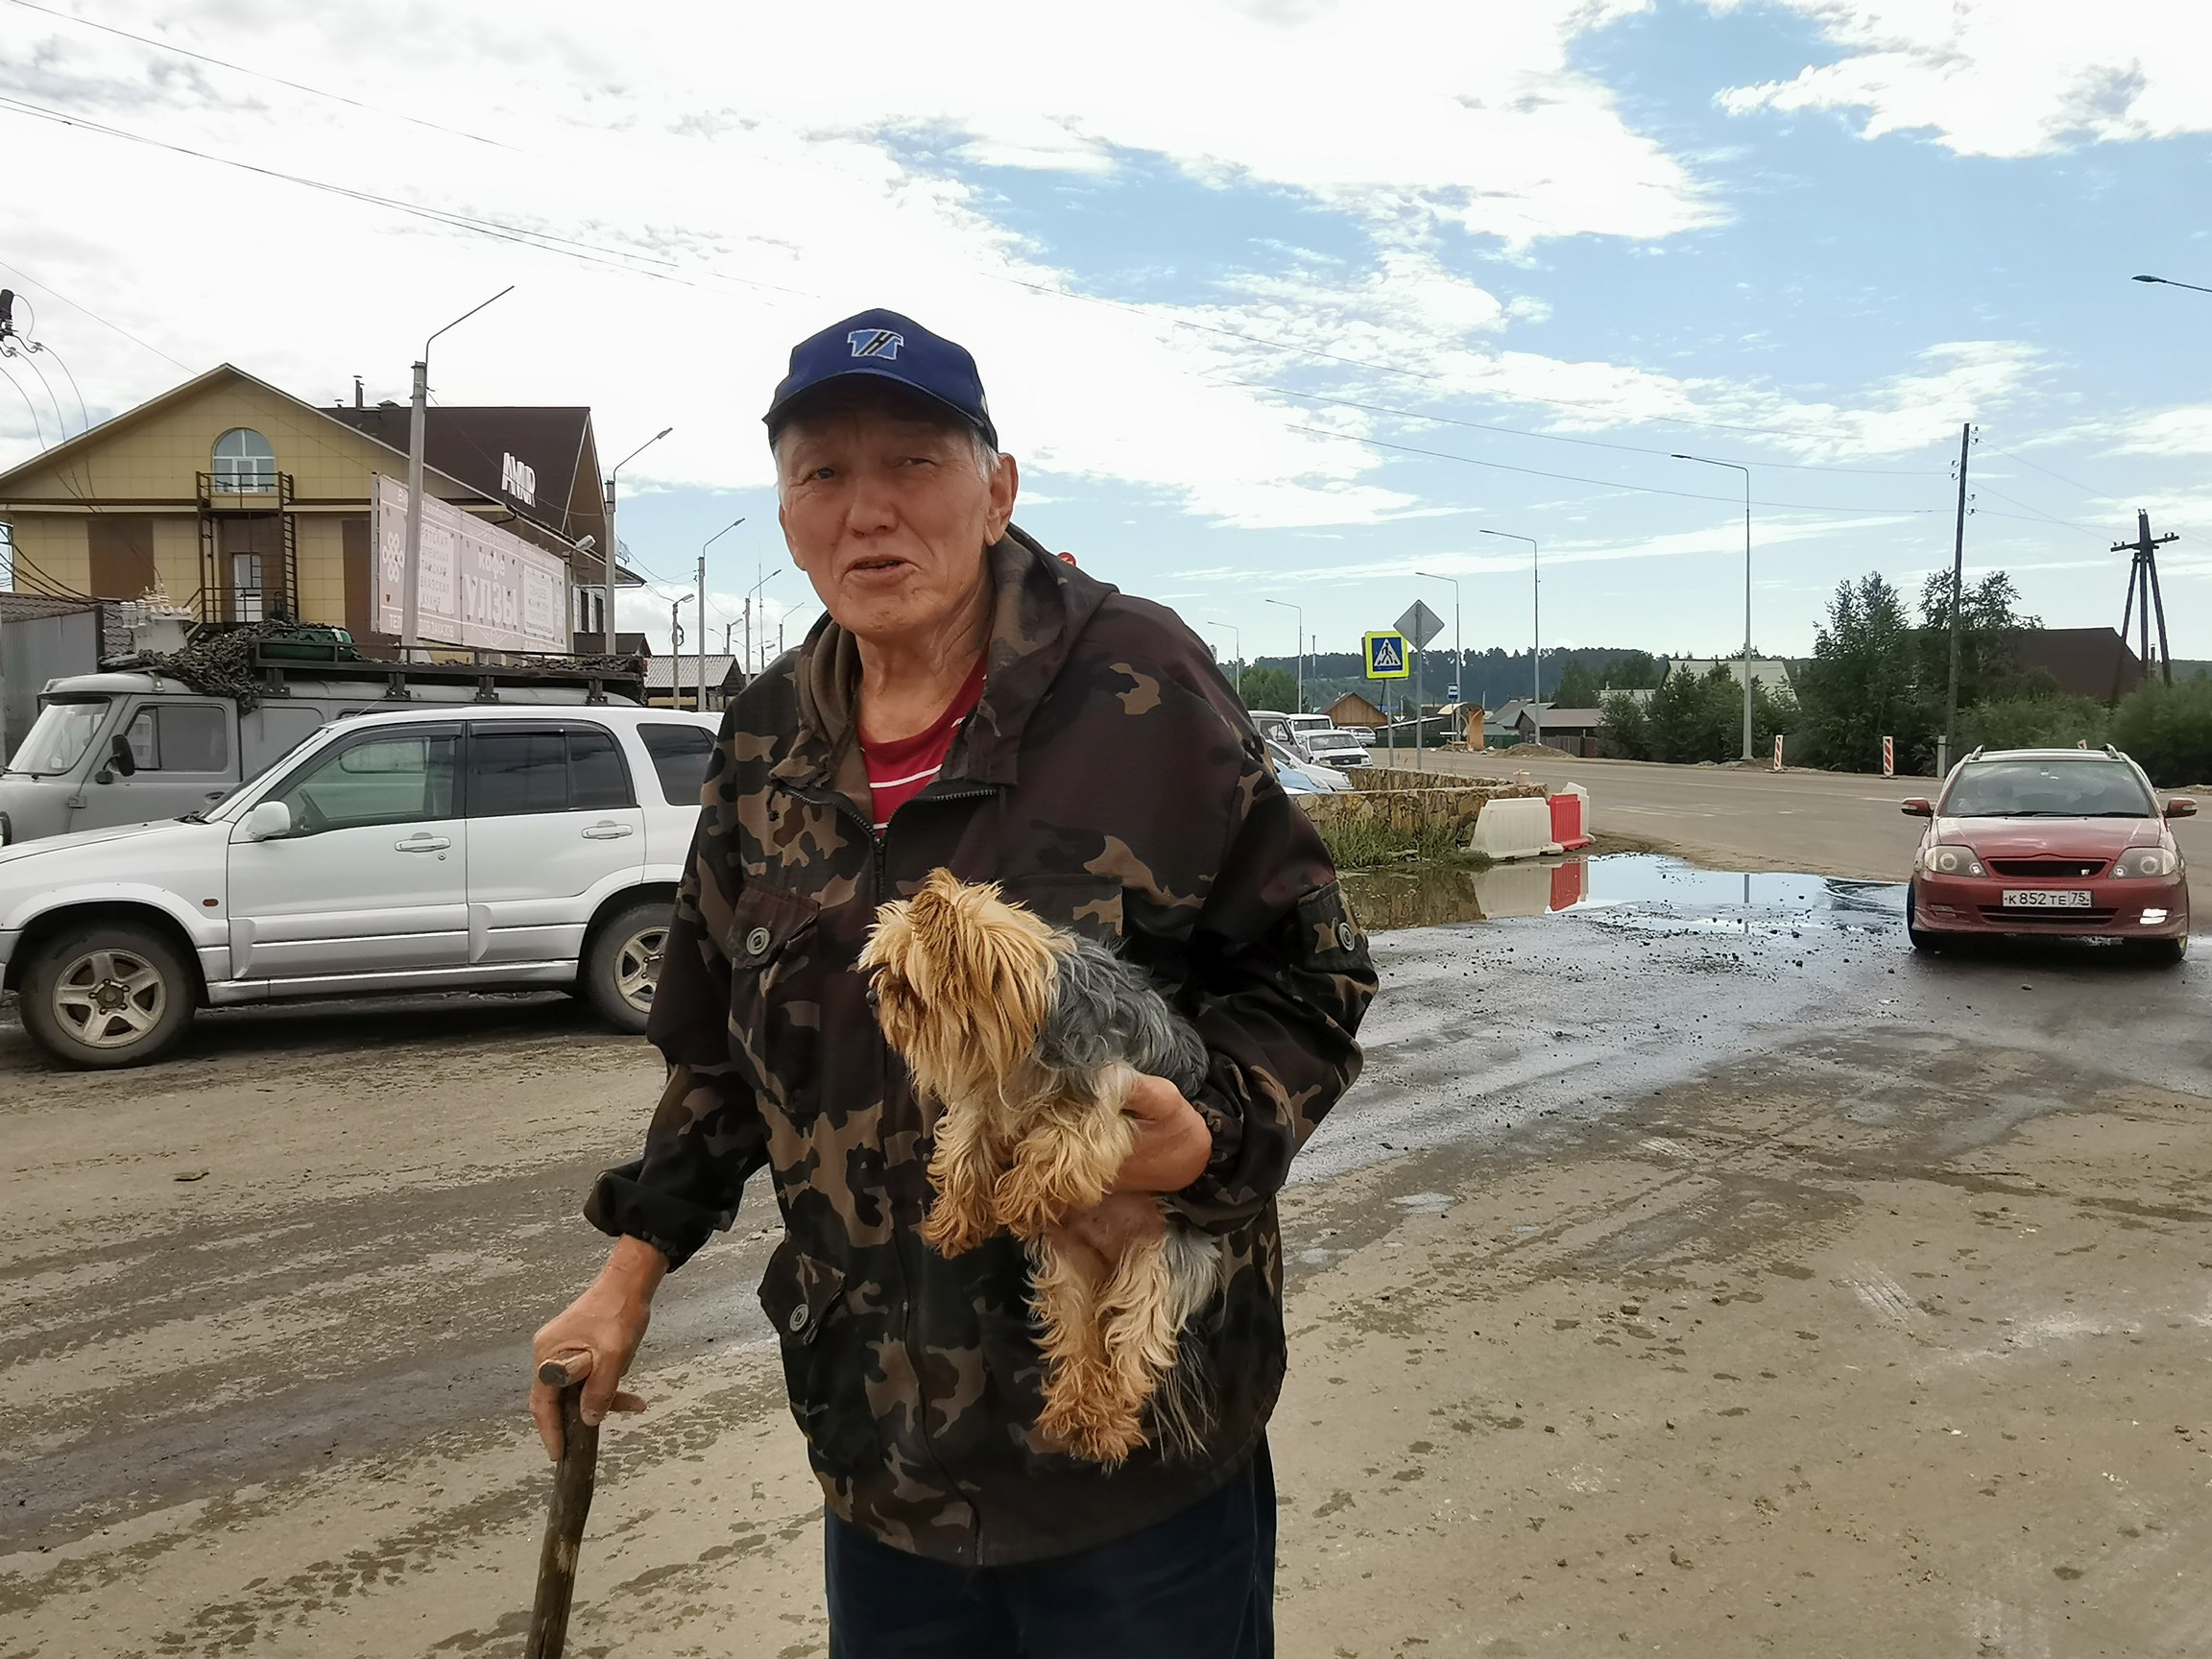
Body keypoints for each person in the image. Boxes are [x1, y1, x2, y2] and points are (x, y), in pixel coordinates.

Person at [530, 307, 1375, 1657]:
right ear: (789, 511)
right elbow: (719, 1062)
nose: (868, 513)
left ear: (997, 491)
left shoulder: (1140, 684)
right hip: (883, 1467)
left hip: (1142, 1476)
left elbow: (1313, 976)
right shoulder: (762, 745)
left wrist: (1208, 1133)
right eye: (822, 475)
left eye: (914, 464)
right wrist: (627, 1275)